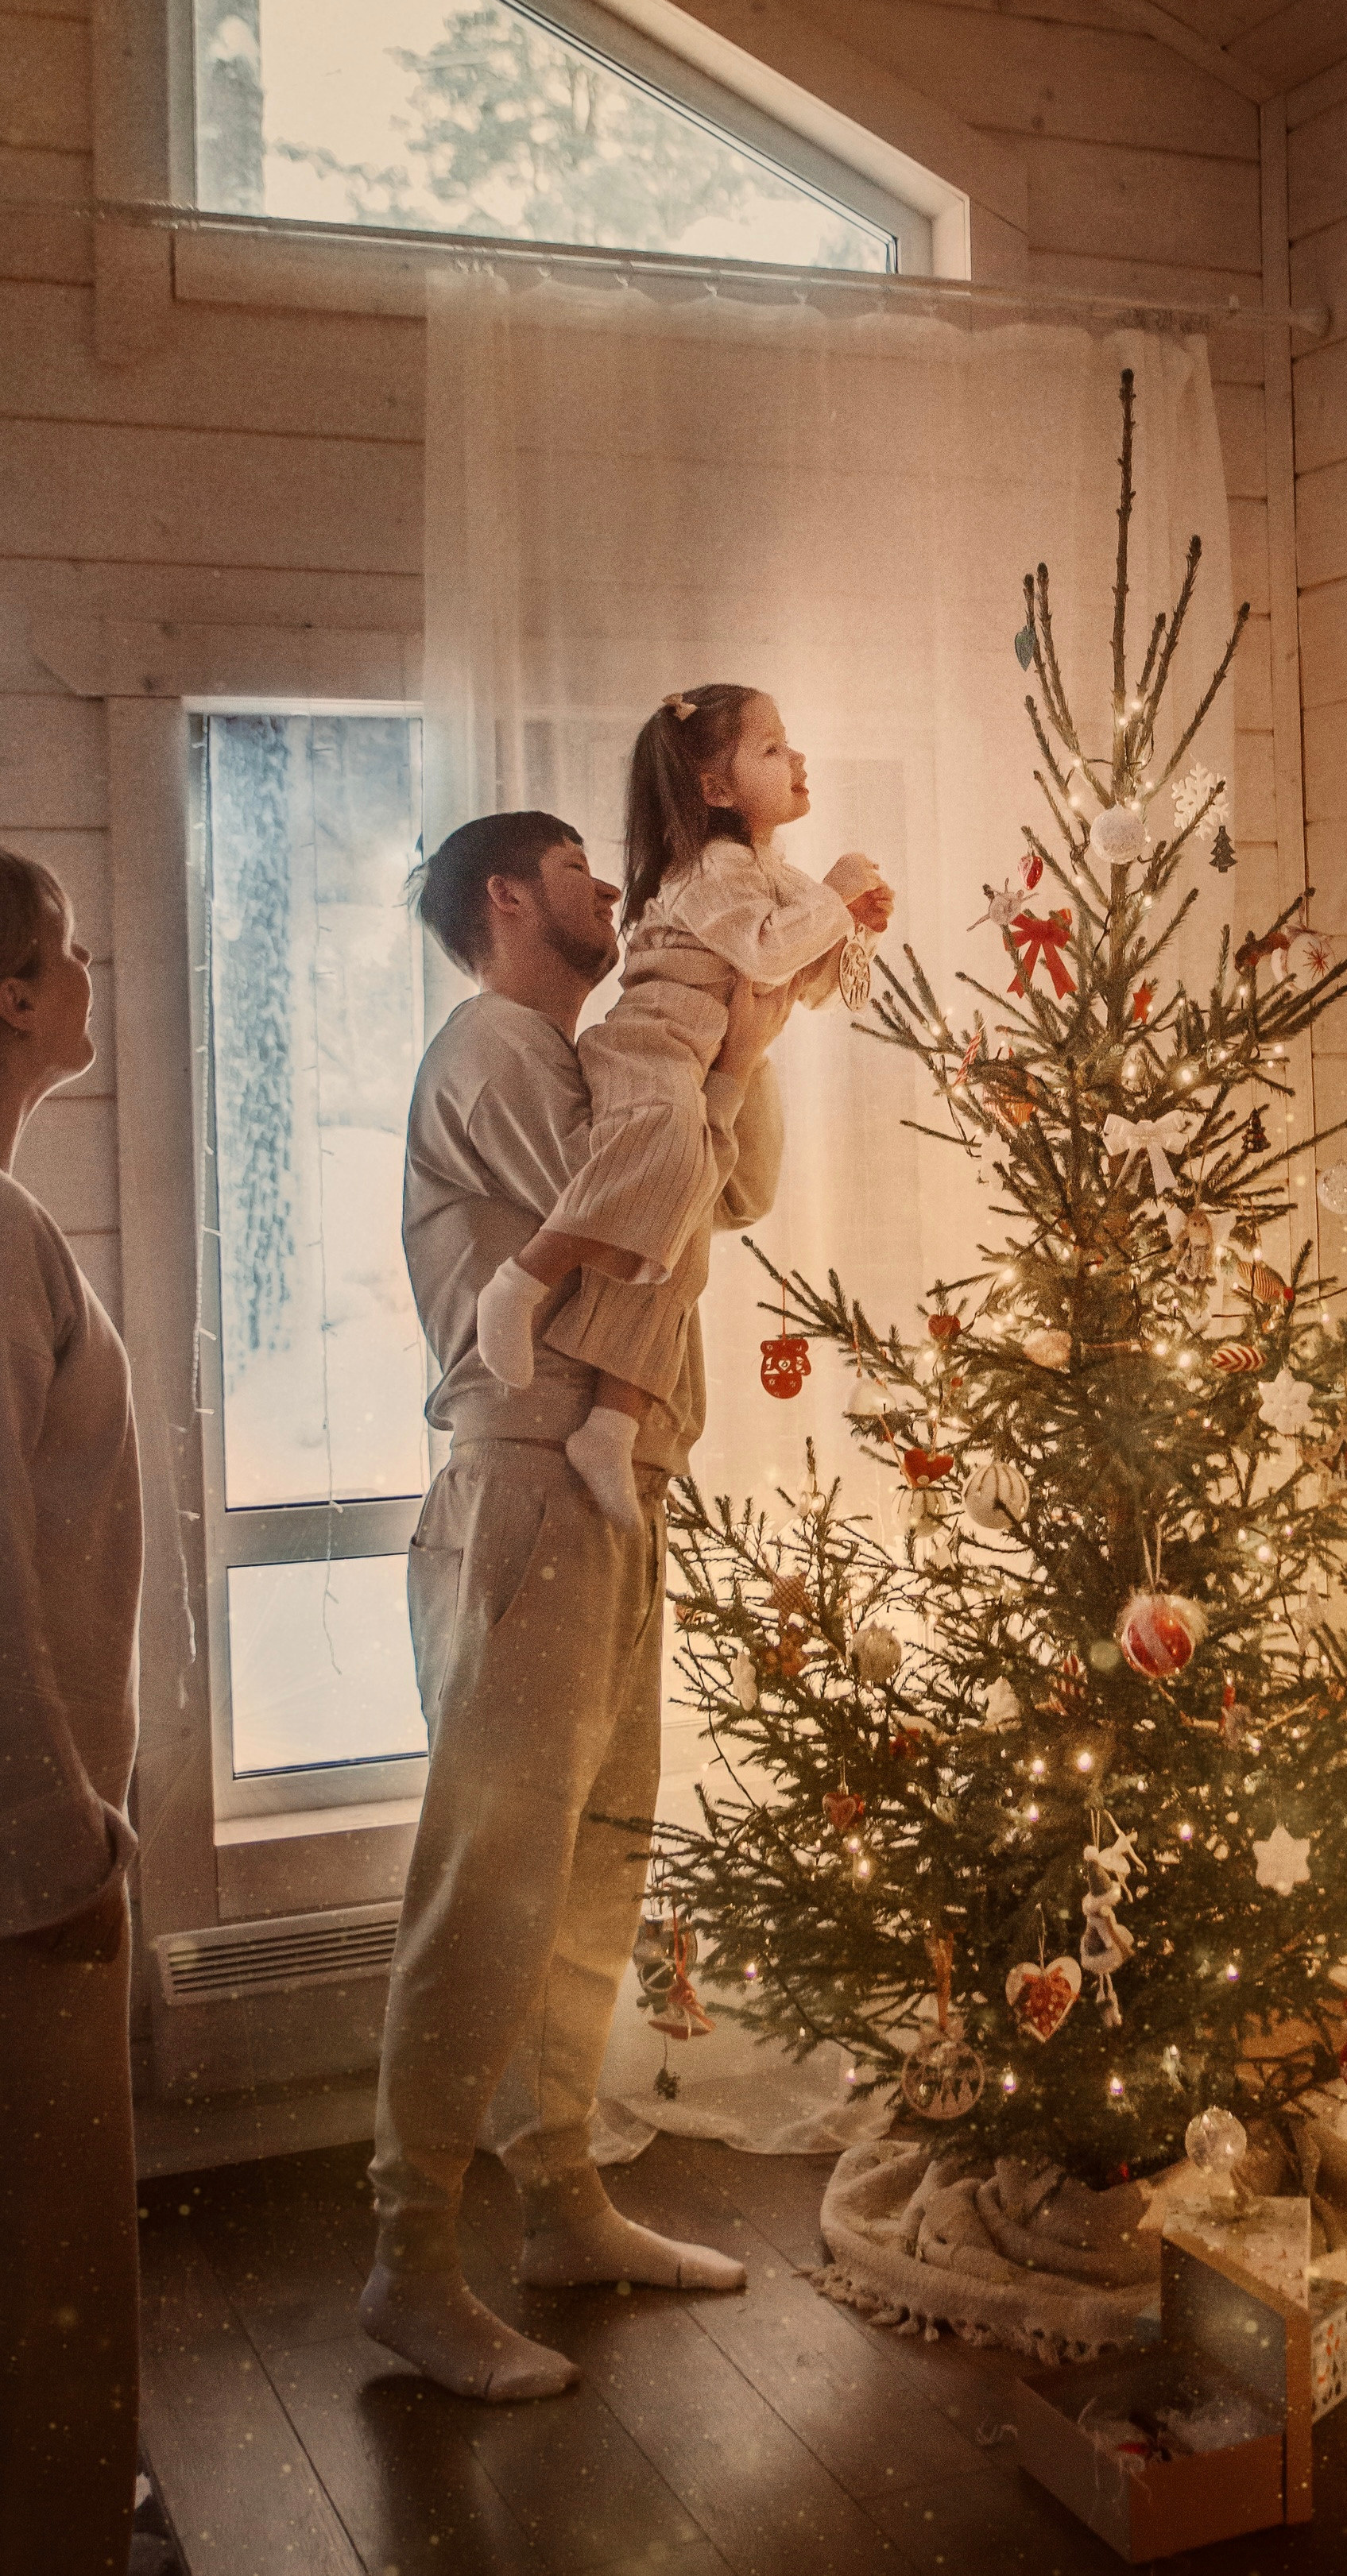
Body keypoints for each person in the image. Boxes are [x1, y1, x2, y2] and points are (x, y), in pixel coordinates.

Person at [363, 808, 800, 2401]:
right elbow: (652, 1193)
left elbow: (727, 1184)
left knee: (595, 1860)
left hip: (615, 1493)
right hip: (523, 1495)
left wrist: (738, 1049)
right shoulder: (491, 1048)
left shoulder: (610, 1062)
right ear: (501, 894)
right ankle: (408, 2261)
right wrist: (733, 1037)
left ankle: (560, 2204)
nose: (607, 892)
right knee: (487, 1883)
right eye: (573, 870)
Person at [474, 686, 893, 1529]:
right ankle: (521, 1281)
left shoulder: (771, 875)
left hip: (702, 1065)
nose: (798, 758)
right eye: (772, 748)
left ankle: (613, 1418)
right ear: (713, 790)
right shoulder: (709, 871)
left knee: (677, 1252)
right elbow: (767, 946)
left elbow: (800, 984)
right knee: (665, 1148)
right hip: (649, 1051)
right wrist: (835, 892)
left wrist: (855, 930)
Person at [0, 850, 145, 2572]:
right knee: (48, 2281)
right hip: (22, 1864)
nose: (88, 967)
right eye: (67, 950)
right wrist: (56, 1850)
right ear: (16, 996)